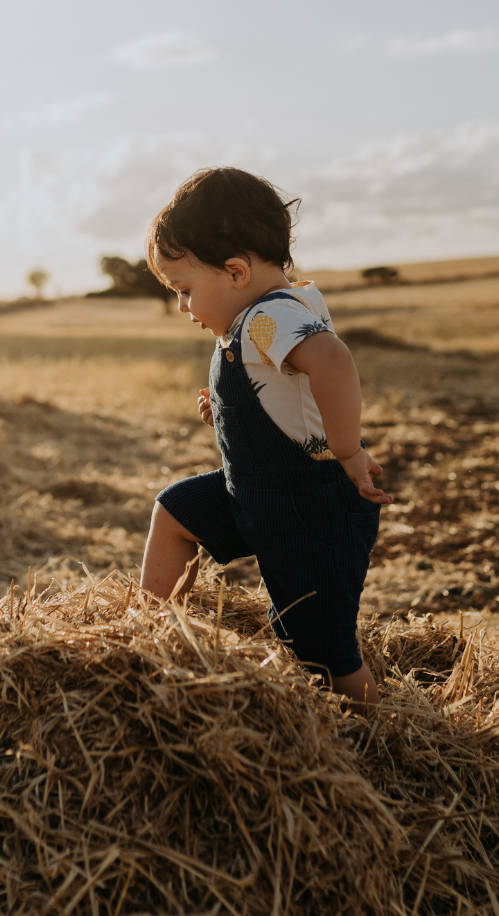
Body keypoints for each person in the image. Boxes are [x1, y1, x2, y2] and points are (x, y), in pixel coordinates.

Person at [140, 166, 393, 711]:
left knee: (319, 647)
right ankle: (153, 638)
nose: (184, 309)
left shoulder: (267, 316)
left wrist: (348, 451)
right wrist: (225, 408)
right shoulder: (256, 320)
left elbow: (331, 359)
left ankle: (385, 728)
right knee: (177, 511)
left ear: (235, 271)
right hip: (257, 491)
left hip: (309, 506)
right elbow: (281, 396)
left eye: (184, 291)